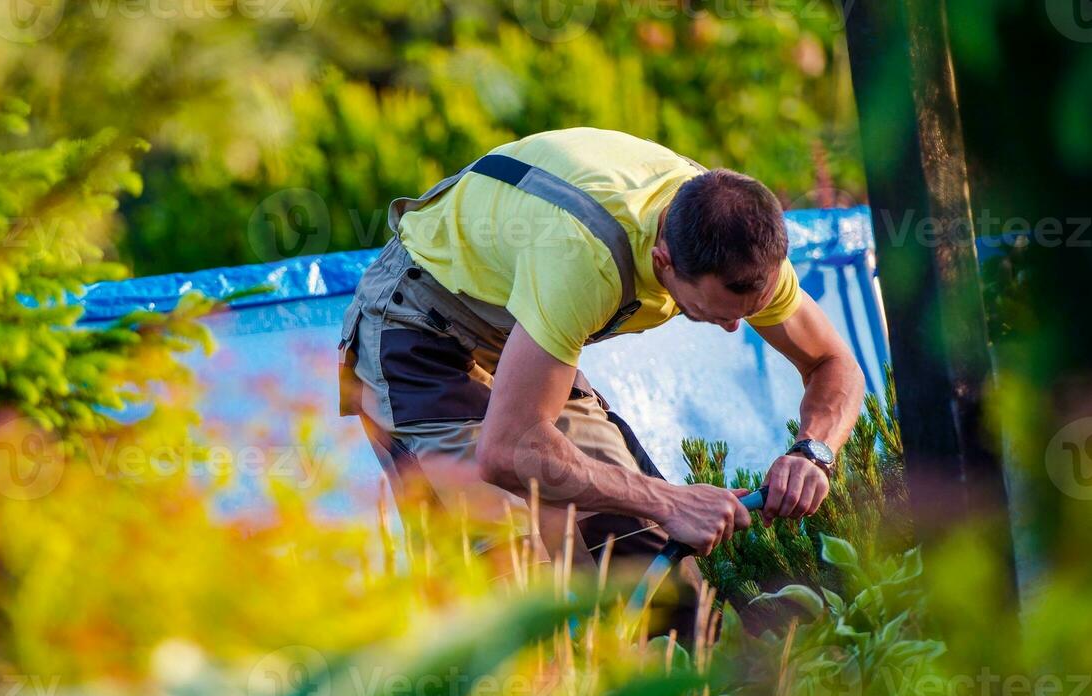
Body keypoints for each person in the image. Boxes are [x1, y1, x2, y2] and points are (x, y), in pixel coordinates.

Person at [338, 128, 866, 589]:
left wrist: (813, 451)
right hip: (419, 332)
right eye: (713, 313)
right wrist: (670, 500)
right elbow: (504, 451)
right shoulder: (583, 259)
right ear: (662, 261)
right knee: (515, 594)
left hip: (522, 328)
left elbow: (833, 365)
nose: (735, 326)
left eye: (746, 312)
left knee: (651, 570)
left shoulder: (735, 236)